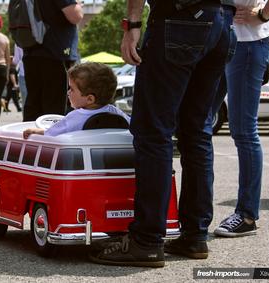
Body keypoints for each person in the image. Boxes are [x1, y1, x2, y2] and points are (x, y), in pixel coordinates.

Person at [89, 0, 236, 268]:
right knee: (197, 133)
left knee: (153, 132)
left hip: (178, 17)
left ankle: (146, 240)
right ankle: (194, 235)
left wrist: (132, 25)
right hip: (222, 20)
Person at [210, 0, 269, 238]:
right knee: (198, 124)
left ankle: (247, 214)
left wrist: (263, 15)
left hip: (248, 41)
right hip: (215, 39)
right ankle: (194, 215)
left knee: (243, 130)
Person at [23, 62, 129, 138]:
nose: (68, 92)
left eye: (72, 89)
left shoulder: (75, 117)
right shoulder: (116, 113)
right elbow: (132, 124)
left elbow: (50, 134)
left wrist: (36, 131)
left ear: (90, 99)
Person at [22, 0, 83, 122]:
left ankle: (31, 139)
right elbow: (75, 16)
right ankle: (51, 139)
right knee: (55, 109)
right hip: (56, 52)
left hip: (32, 50)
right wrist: (78, 4)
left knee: (34, 104)